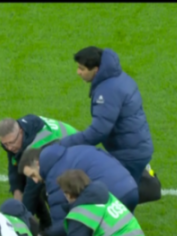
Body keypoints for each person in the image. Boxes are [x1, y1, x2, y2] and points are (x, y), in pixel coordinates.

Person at [17, 144, 139, 236]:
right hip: (130, 187)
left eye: (33, 175)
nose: (35, 181)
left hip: (112, 195)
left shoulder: (55, 178)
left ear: (37, 163)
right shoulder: (65, 150)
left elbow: (62, 223)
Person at [59, 46, 153, 186]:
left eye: (82, 69)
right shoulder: (117, 77)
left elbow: (98, 132)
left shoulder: (107, 91)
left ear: (96, 70)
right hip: (136, 147)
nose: (78, 72)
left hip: (129, 154)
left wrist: (64, 144)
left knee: (117, 193)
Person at [0, 115, 77, 230]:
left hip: (74, 152)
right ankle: (46, 224)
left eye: (11, 142)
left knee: (45, 186)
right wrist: (16, 191)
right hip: (60, 151)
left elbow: (32, 188)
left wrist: (20, 222)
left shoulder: (38, 143)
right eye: (5, 144)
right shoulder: (16, 136)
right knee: (29, 177)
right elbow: (15, 167)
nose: (9, 147)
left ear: (21, 132)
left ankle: (63, 226)